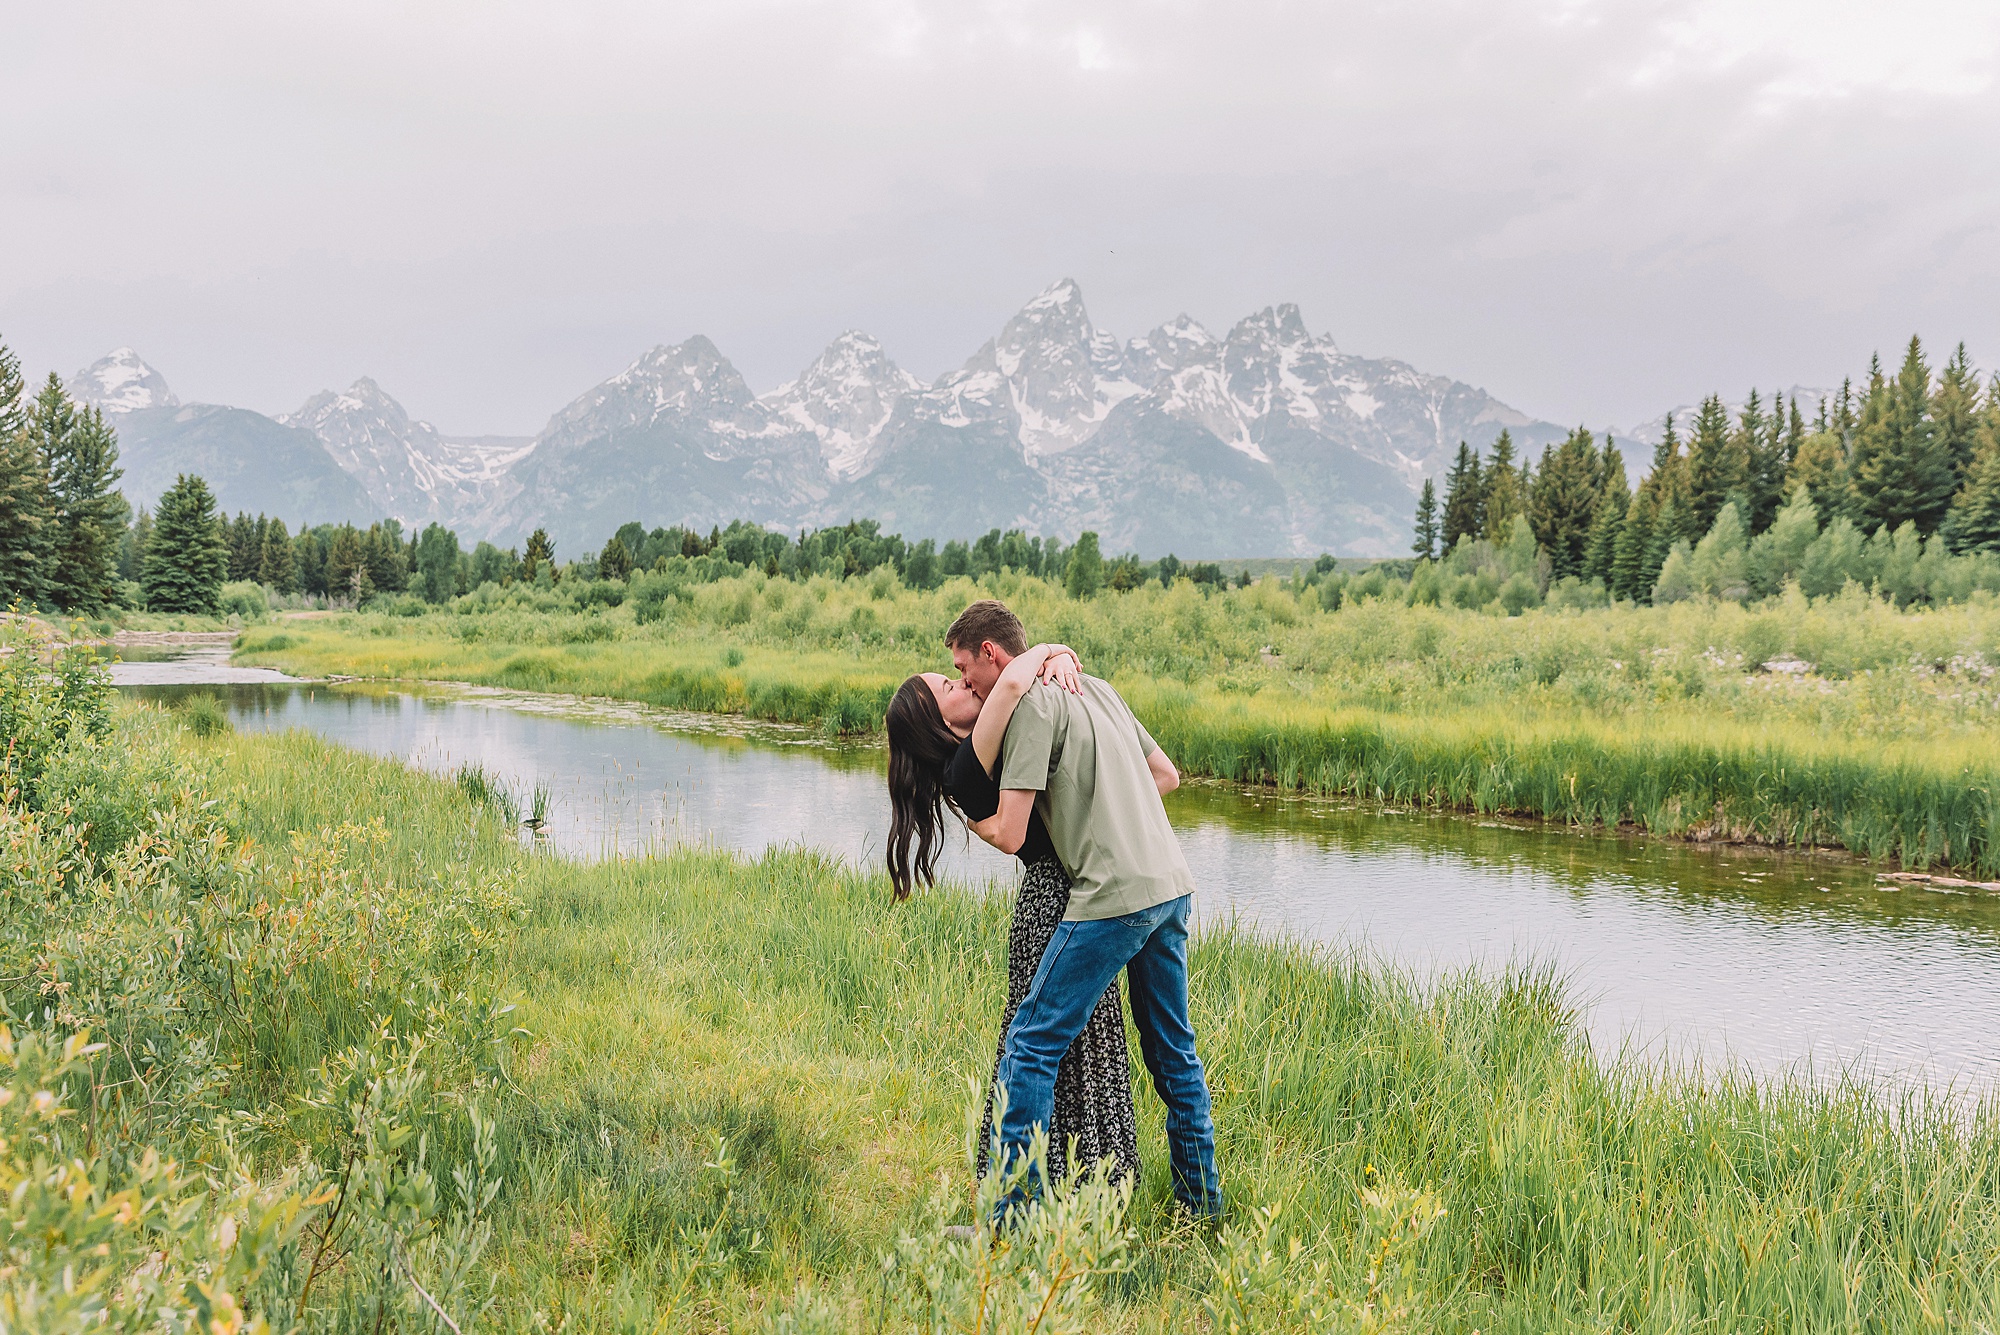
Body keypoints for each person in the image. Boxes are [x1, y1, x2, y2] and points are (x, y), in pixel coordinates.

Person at [946, 599, 1220, 1221]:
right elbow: (1167, 776)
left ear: (992, 655)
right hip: (1170, 884)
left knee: (1030, 1046)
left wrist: (973, 819)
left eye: (966, 672)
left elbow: (1012, 834)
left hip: (1109, 897)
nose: (967, 687)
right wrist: (1111, 804)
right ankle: (1202, 1209)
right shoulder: (1097, 687)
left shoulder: (1028, 711)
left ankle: (1012, 1223)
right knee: (1173, 1049)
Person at [886, 631, 1141, 1191]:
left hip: (1074, 896)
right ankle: (1031, 1194)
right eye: (948, 685)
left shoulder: (985, 746)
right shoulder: (966, 766)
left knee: (1076, 1046)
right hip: (1056, 904)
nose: (961, 681)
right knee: (1047, 1051)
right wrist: (1055, 650)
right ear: (937, 720)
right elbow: (1015, 678)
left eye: (956, 673)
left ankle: (1078, 1191)